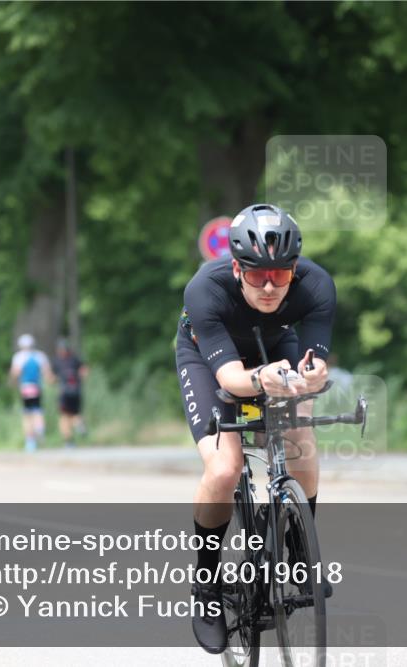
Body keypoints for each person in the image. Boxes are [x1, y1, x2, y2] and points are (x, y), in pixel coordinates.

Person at [176, 204, 334, 654]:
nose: (269, 286)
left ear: (295, 270)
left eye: (280, 276)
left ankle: (298, 548)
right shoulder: (204, 290)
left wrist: (313, 375)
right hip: (209, 361)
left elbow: (316, 360)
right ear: (235, 267)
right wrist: (259, 380)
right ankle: (207, 588)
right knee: (225, 469)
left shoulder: (317, 285)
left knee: (299, 435)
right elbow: (230, 380)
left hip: (274, 345)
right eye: (257, 274)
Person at [9, 334, 54, 452]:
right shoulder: (40, 356)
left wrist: (13, 382)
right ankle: (40, 428)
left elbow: (16, 373)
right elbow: (47, 373)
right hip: (37, 387)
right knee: (38, 410)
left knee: (27, 415)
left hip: (25, 387)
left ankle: (30, 441)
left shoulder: (19, 357)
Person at [54, 339, 88, 448]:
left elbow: (51, 377)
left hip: (64, 392)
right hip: (76, 391)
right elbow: (84, 370)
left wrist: (54, 381)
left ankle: (68, 441)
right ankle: (79, 424)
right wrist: (80, 380)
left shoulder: (57, 361)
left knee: (64, 416)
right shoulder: (75, 359)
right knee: (75, 413)